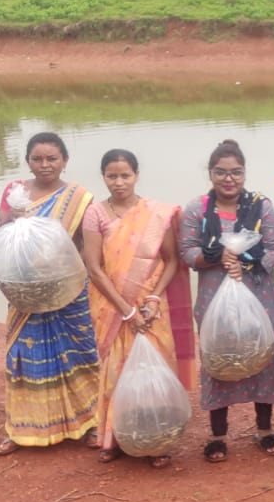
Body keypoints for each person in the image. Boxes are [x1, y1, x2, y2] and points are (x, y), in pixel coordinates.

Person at [83, 149, 196, 469]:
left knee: (153, 372)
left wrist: (154, 299)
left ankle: (157, 437)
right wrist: (125, 311)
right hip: (113, 307)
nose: (118, 182)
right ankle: (114, 437)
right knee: (116, 371)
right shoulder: (95, 213)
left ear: (136, 175)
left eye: (125, 175)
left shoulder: (155, 214)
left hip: (150, 310)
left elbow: (172, 261)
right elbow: (94, 267)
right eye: (111, 176)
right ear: (103, 177)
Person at [179, 139, 274, 462]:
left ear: (244, 173)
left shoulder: (262, 206)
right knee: (220, 358)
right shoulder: (196, 210)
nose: (229, 179)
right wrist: (216, 257)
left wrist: (247, 263)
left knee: (262, 356)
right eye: (221, 172)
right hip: (215, 298)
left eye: (236, 172)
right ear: (210, 174)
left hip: (259, 294)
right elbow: (186, 252)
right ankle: (217, 434)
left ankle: (265, 428)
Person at [0, 132, 100, 455]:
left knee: (80, 352)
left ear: (64, 161)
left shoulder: (80, 198)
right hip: (26, 290)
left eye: (52, 158)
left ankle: (90, 424)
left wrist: (61, 274)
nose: (44, 165)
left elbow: (87, 246)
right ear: (28, 161)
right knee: (25, 356)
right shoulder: (15, 193)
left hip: (69, 290)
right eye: (37, 159)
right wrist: (11, 221)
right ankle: (23, 429)